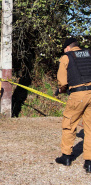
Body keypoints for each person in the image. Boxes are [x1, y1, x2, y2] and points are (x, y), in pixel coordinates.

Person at [55, 37, 91, 173]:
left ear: (68, 48)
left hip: (78, 94)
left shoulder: (66, 57)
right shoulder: (89, 54)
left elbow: (63, 82)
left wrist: (61, 90)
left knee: (69, 124)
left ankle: (66, 157)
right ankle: (89, 163)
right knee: (90, 127)